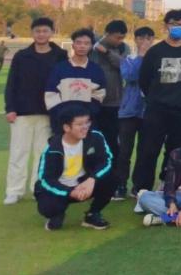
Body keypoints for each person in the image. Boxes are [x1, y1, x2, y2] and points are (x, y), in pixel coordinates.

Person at [132, 9, 181, 196]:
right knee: (148, 150)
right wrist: (156, 97)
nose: (178, 27)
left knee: (177, 151)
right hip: (157, 109)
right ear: (166, 25)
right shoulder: (155, 52)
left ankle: (168, 184)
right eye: (174, 24)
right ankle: (141, 189)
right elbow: (144, 80)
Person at [36, 102, 115, 231]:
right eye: (79, 124)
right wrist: (70, 192)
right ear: (67, 127)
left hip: (84, 185)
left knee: (112, 178)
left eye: (87, 122)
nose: (85, 127)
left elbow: (107, 161)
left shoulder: (96, 137)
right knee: (48, 207)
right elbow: (45, 179)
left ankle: (92, 214)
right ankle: (57, 214)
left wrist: (92, 179)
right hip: (62, 189)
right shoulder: (52, 149)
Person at [115, 26, 154, 199]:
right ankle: (120, 184)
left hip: (148, 112)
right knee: (124, 151)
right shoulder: (128, 59)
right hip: (128, 112)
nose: (144, 42)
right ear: (135, 40)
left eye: (148, 38)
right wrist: (141, 57)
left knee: (144, 151)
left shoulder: (157, 59)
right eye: (141, 38)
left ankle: (138, 186)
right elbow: (130, 76)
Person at [89, 20, 129, 169]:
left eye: (122, 37)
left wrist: (106, 52)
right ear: (107, 34)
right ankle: (92, 173)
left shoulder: (124, 48)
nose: (120, 41)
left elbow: (123, 65)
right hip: (93, 102)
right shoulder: (92, 46)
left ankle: (113, 174)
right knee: (92, 141)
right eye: (117, 37)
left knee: (113, 141)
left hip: (114, 104)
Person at [44, 28, 106, 111]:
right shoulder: (59, 69)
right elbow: (51, 95)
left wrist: (84, 114)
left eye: (86, 43)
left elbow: (99, 96)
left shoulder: (97, 70)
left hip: (86, 117)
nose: (82, 46)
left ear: (91, 46)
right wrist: (65, 114)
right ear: (73, 45)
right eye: (78, 43)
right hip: (63, 117)